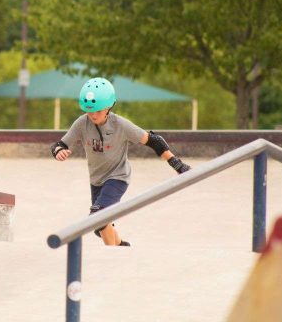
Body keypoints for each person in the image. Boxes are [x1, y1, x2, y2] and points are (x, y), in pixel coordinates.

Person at [50, 77, 191, 246]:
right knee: (102, 223)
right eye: (89, 111)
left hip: (118, 177)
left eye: (98, 110)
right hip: (96, 180)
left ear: (108, 107)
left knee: (99, 216)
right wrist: (59, 151)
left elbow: (154, 140)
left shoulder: (121, 125)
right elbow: (60, 144)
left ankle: (112, 255)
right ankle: (120, 246)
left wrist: (176, 163)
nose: (93, 115)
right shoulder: (82, 123)